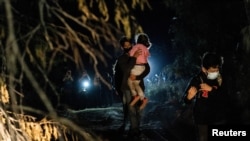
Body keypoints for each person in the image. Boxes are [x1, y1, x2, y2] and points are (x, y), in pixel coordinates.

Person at [113, 36, 150, 139]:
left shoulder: (139, 55)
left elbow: (147, 69)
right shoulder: (121, 59)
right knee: (131, 108)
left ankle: (135, 128)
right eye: (126, 46)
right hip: (126, 87)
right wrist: (133, 57)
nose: (128, 47)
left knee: (139, 109)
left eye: (130, 45)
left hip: (139, 85)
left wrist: (138, 76)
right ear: (122, 47)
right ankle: (135, 130)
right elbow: (126, 70)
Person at [183, 52, 224, 141]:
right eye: (213, 70)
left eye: (217, 68)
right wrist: (189, 97)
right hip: (202, 118)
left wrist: (211, 90)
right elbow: (186, 100)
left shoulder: (219, 78)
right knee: (203, 138)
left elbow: (224, 96)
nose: (216, 71)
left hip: (217, 116)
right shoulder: (197, 80)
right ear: (204, 69)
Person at [128, 33, 151, 110]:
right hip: (140, 70)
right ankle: (141, 98)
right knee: (134, 83)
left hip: (136, 70)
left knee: (131, 82)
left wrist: (137, 77)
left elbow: (130, 57)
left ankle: (138, 97)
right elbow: (147, 67)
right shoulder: (145, 50)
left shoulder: (135, 48)